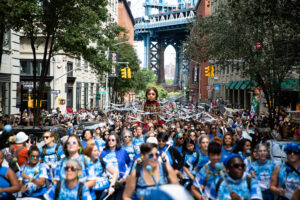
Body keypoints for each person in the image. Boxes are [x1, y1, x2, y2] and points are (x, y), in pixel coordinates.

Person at [100, 133, 131, 199]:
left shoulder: (123, 152)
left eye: (113, 140)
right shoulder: (103, 152)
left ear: (117, 141)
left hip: (120, 181)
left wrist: (126, 176)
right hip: (107, 182)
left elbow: (129, 163)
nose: (110, 141)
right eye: (109, 140)